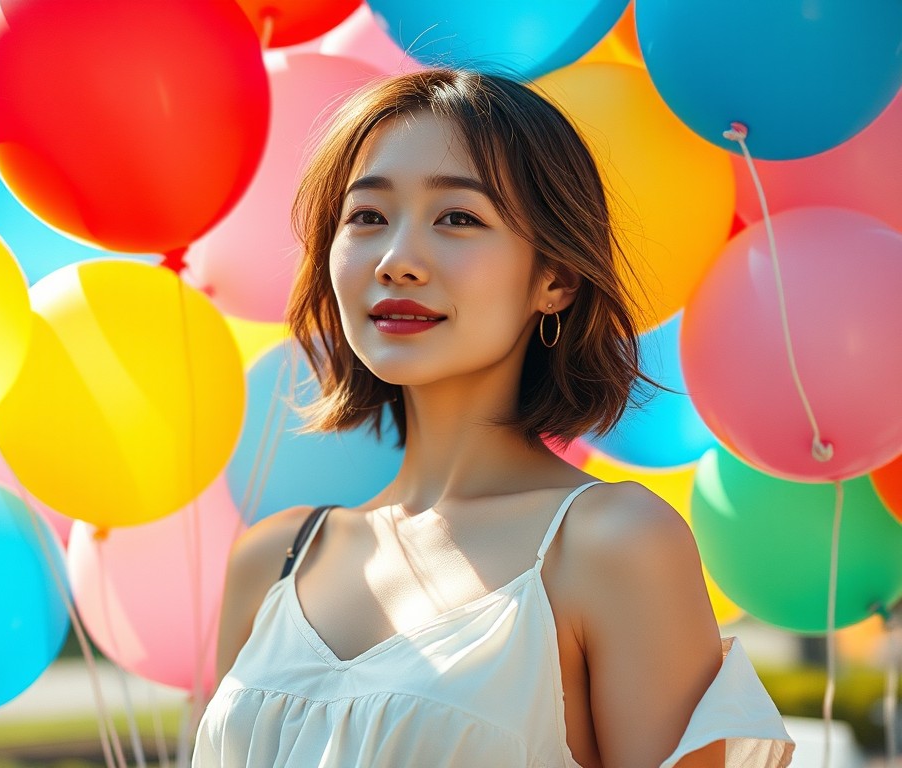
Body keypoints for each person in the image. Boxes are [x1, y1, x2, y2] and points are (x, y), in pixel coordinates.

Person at [192, 68, 794, 767]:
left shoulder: (610, 546)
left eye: (458, 218)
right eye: (367, 217)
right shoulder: (275, 560)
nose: (397, 260)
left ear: (555, 278)